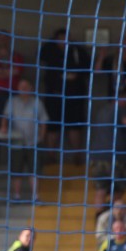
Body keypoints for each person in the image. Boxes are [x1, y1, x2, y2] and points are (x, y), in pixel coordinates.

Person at [38, 28, 91, 164]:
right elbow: (41, 56)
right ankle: (50, 156)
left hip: (74, 96)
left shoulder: (77, 51)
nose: (63, 41)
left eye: (66, 38)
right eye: (60, 38)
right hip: (54, 95)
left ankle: (77, 156)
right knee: (53, 126)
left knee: (75, 126)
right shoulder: (50, 49)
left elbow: (88, 68)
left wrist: (75, 74)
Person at [0, 78, 48, 202]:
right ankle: (17, 195)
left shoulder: (37, 102)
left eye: (26, 87)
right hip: (16, 142)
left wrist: (42, 137)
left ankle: (35, 196)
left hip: (34, 142)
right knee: (16, 170)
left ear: (31, 88)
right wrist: (4, 127)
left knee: (34, 170)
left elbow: (44, 121)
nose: (24, 89)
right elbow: (5, 117)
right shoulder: (12, 101)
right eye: (21, 87)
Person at [89, 97, 126, 215]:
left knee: (100, 189)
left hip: (97, 157)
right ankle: (112, 215)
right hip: (116, 157)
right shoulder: (120, 109)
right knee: (118, 189)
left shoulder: (101, 111)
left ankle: (100, 216)